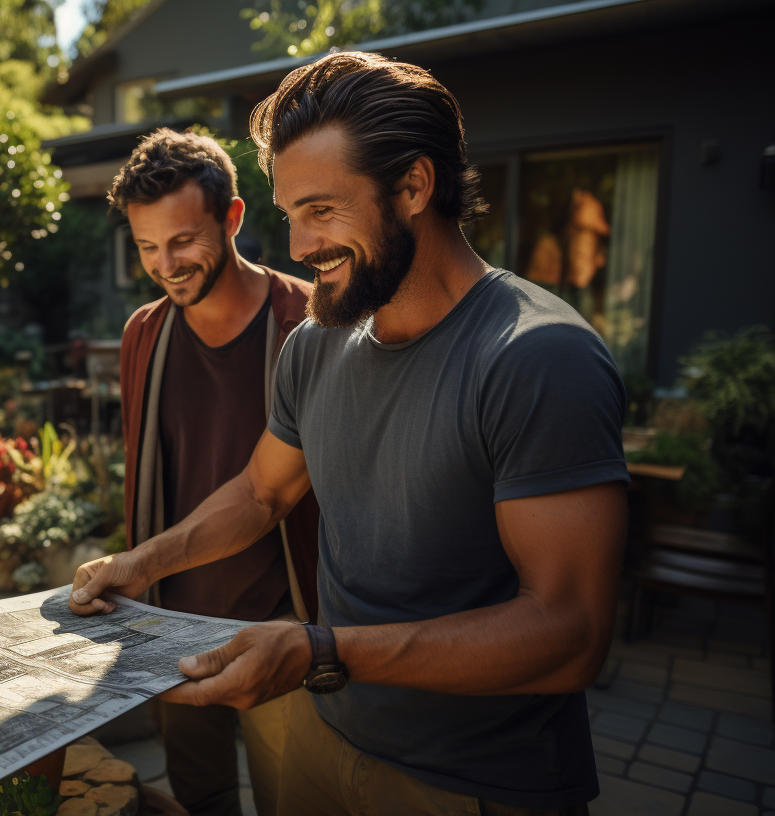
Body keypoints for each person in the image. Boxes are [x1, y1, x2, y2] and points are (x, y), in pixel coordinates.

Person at [72, 53, 628, 816]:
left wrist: (322, 650)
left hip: (474, 780)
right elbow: (261, 493)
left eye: (322, 211)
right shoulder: (315, 343)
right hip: (327, 734)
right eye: (289, 215)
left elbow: (572, 632)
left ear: (414, 186)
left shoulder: (538, 357)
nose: (299, 247)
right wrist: (140, 563)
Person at [108, 128, 321, 816]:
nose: (165, 265)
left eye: (182, 241)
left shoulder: (309, 323)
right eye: (147, 246)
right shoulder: (143, 334)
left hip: (283, 627)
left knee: (295, 802)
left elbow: (279, 491)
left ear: (232, 218)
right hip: (170, 631)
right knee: (200, 801)